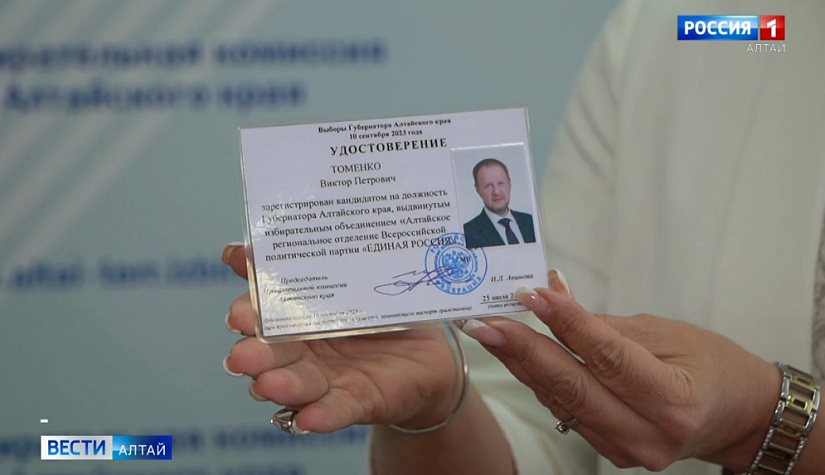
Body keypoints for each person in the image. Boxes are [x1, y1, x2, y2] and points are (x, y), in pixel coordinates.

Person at [222, 0, 825, 474]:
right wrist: (438, 406)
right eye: (485, 186)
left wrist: (771, 422)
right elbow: (542, 439)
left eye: (500, 184)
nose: (495, 193)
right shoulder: (681, 25)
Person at [462, 158, 536, 249]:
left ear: (509, 184)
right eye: (488, 185)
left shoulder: (531, 222)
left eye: (501, 183)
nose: (496, 192)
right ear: (478, 190)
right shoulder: (467, 234)